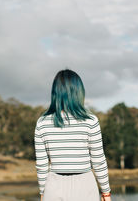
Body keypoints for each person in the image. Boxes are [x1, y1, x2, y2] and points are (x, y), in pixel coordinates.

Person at [34, 69, 112, 201]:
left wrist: (43, 193)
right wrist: (106, 192)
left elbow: (42, 164)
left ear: (55, 93)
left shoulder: (42, 123)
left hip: (53, 186)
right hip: (85, 186)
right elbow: (98, 160)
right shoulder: (90, 121)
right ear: (79, 92)